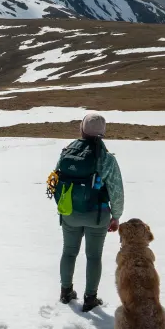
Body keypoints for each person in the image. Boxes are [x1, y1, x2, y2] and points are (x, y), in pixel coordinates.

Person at [54, 112, 124, 312]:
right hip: (97, 215)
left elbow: (57, 181)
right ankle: (90, 298)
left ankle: (66, 292)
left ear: (82, 129)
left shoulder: (67, 152)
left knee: (69, 252)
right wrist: (116, 217)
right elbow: (116, 191)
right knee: (93, 256)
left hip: (69, 213)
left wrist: (64, 208)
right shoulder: (107, 159)